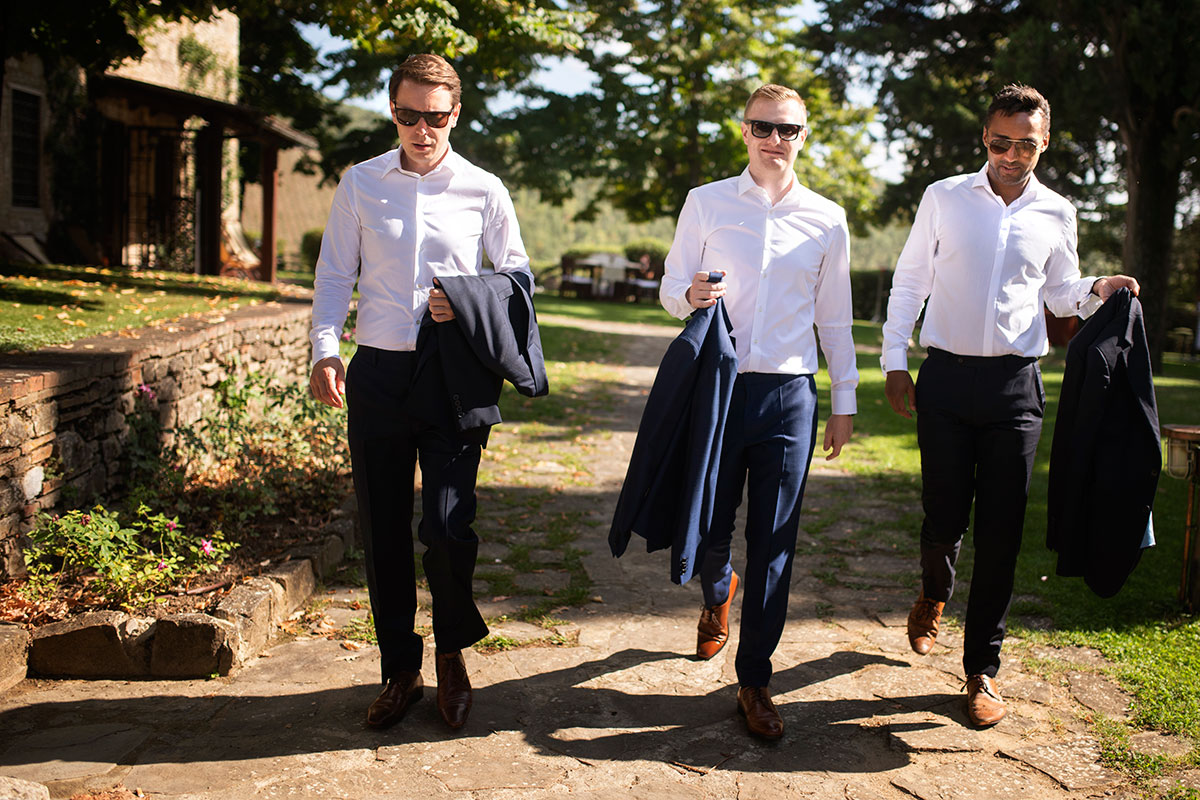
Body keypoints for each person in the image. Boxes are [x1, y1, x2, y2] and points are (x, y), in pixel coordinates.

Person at [881, 83, 1140, 727]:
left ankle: (982, 672)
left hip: (1016, 390)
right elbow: (910, 278)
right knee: (944, 510)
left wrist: (1098, 289)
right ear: (985, 140)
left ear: (1043, 142)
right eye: (1000, 142)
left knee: (1002, 529)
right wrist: (894, 361)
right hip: (943, 379)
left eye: (1026, 144)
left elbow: (1060, 296)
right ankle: (934, 592)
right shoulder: (943, 198)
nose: (1011, 154)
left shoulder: (1057, 211)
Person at [308, 54, 535, 732]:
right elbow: (331, 276)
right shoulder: (361, 183)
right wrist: (325, 350)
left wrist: (465, 303)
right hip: (377, 373)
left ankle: (453, 656)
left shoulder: (484, 189)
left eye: (435, 116)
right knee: (380, 529)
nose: (422, 128)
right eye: (408, 115)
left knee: (446, 525)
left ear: (455, 114)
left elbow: (519, 277)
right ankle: (399, 670)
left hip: (452, 377)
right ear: (393, 112)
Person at [659, 83, 858, 740]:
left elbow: (834, 317)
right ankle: (718, 590)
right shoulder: (706, 203)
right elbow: (670, 288)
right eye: (763, 128)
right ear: (743, 131)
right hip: (718, 390)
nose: (775, 140)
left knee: (776, 542)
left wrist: (843, 400)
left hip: (789, 398)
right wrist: (687, 293)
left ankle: (756, 680)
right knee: (713, 529)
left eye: (788, 131)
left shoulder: (828, 218)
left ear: (803, 137)